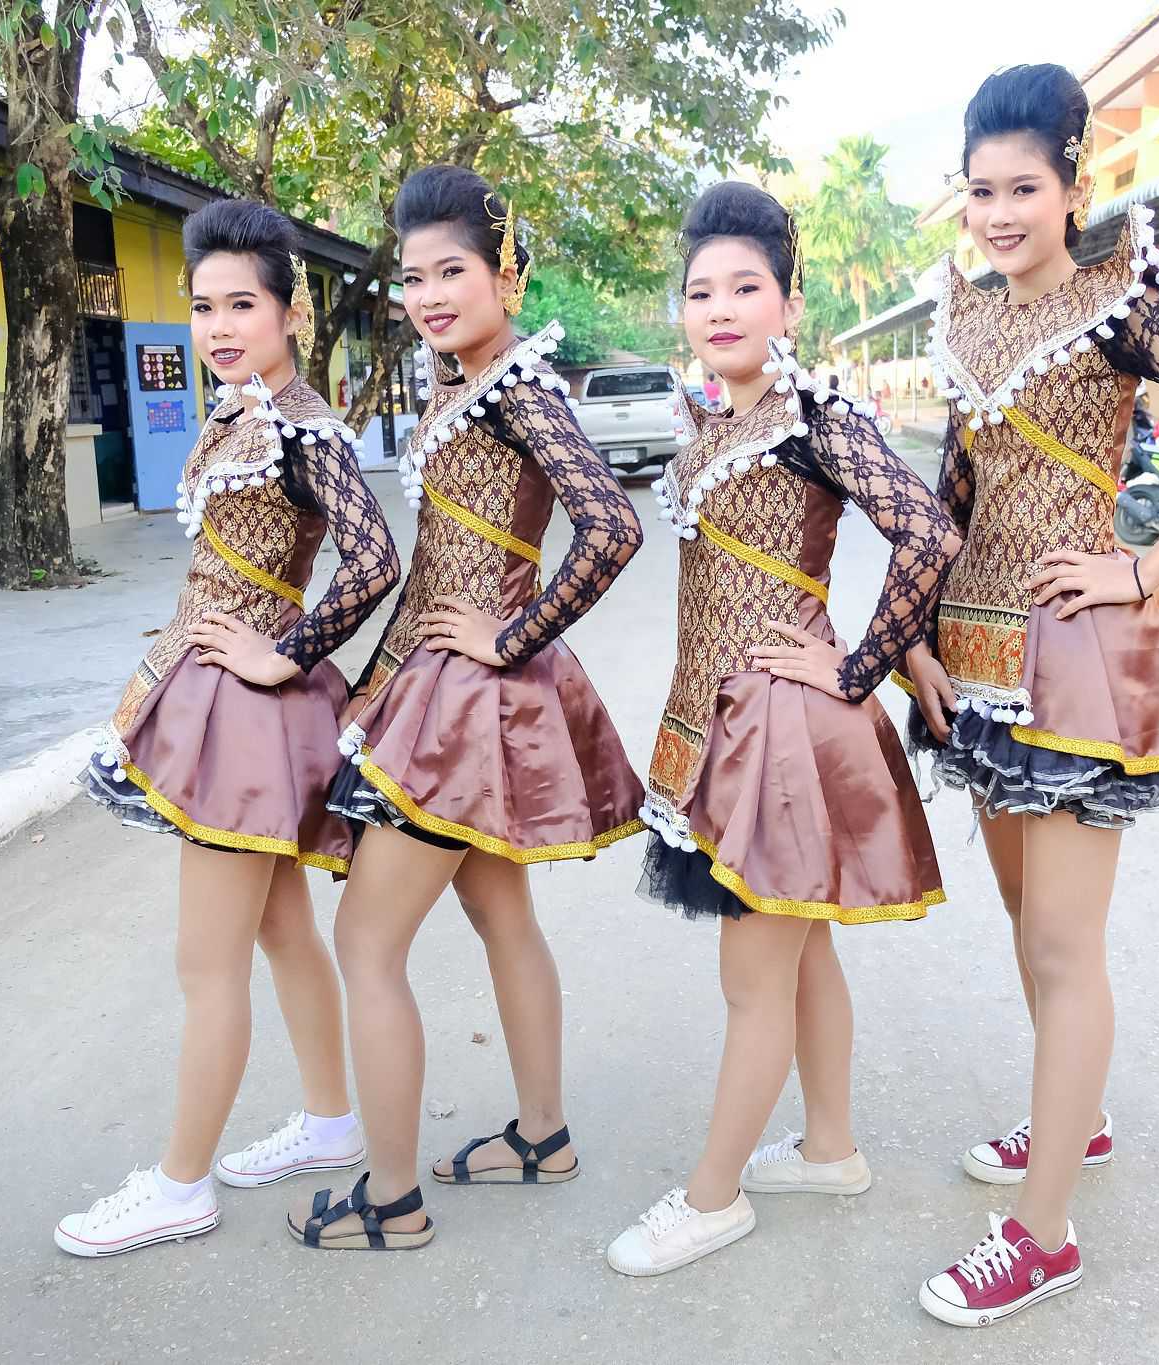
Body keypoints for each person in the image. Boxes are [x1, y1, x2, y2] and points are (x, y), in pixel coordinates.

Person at [901, 65, 1159, 1325]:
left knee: (1063, 948)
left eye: (1022, 188)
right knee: (1026, 922)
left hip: (1069, 663)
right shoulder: (964, 320)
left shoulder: (1117, 303)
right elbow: (953, 496)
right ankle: (1073, 1117)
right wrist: (912, 637)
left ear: (1073, 186)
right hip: (973, 664)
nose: (998, 214)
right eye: (979, 192)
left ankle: (1042, 1238)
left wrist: (1145, 565)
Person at [606, 182, 959, 1276]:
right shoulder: (720, 417)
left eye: (744, 287)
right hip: (717, 722)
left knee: (754, 977)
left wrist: (859, 665)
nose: (719, 308)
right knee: (801, 956)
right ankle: (829, 1148)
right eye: (700, 291)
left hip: (780, 728)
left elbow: (927, 533)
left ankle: (711, 1199)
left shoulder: (815, 416)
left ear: (789, 305)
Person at [303, 165, 646, 1251]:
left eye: (450, 271)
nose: (428, 295)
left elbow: (612, 528)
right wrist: (374, 683)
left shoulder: (515, 388)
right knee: (501, 917)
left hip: (467, 700)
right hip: (444, 689)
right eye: (412, 278)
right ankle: (543, 1138)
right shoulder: (465, 387)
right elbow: (434, 564)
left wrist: (508, 636)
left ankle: (391, 1199)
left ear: (505, 272)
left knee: (366, 943)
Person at [59, 199, 401, 1258]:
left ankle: (179, 1184)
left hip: (246, 715)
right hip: (222, 700)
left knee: (205, 964)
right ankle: (331, 1119)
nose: (218, 325)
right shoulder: (244, 412)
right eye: (203, 305)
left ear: (292, 312)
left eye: (241, 304)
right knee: (278, 929)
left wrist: (285, 653)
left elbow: (374, 559)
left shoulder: (300, 426)